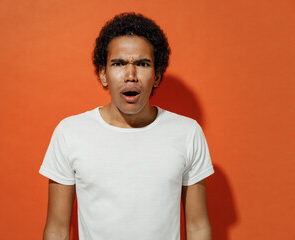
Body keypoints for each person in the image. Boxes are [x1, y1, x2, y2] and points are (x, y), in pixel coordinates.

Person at [40, 12, 214, 240]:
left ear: (158, 76)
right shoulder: (69, 133)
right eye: (118, 63)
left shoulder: (187, 132)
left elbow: (198, 226)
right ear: (103, 73)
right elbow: (57, 229)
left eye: (142, 64)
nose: (130, 75)